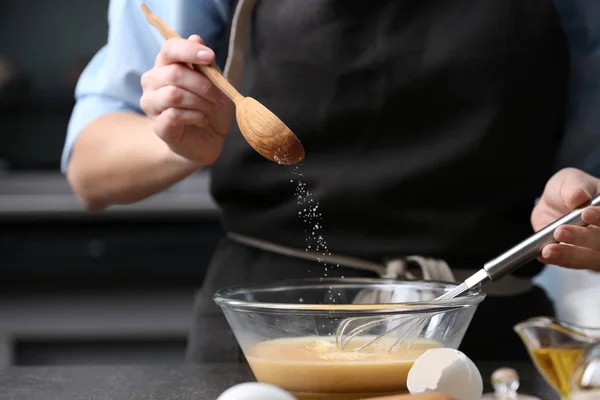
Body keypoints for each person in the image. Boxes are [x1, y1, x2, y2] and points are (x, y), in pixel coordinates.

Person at [62, 0, 600, 362]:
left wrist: (578, 201)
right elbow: (90, 168)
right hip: (267, 335)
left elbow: (586, 164)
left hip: (480, 330)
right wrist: (176, 141)